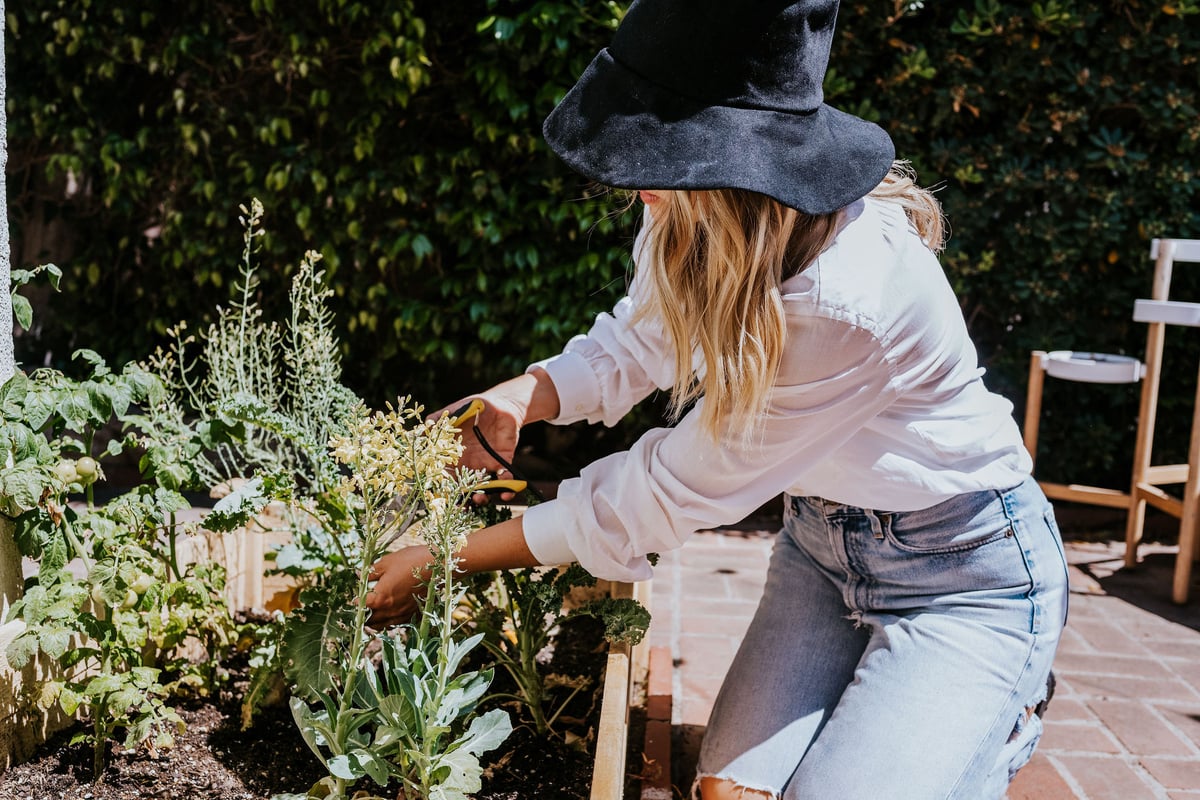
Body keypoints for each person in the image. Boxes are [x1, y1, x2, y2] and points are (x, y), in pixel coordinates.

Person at [366, 1, 1069, 797]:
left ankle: (997, 706)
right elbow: (637, 341)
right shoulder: (695, 211)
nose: (638, 189)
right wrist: (520, 396)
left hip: (966, 575)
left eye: (655, 156)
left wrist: (444, 559)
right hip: (820, 548)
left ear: (737, 166)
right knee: (724, 792)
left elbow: (658, 497)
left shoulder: (846, 303)